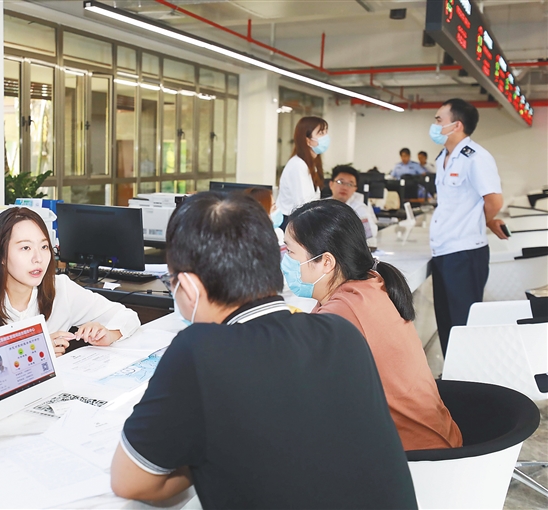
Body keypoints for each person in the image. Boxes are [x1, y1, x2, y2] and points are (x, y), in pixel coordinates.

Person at [110, 192, 417, 509]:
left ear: (188, 287)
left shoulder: (199, 351)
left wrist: (200, 457)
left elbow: (128, 481)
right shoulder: (341, 333)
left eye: (171, 281)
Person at [284, 199, 463, 451]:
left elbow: (298, 387)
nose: (285, 260)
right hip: (433, 441)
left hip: (415, 459)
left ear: (326, 262)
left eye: (290, 252)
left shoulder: (343, 312)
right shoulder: (370, 283)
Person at [0, 207, 140, 356]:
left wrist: (109, 334)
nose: (38, 258)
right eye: (25, 248)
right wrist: (36, 349)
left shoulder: (61, 289)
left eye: (44, 247)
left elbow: (127, 316)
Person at [429, 98, 506, 357]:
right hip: (443, 250)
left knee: (464, 323)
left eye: (439, 120)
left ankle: (468, 376)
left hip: (464, 252)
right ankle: (452, 373)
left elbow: (494, 201)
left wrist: (480, 221)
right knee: (446, 322)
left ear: (457, 125)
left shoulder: (476, 157)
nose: (434, 125)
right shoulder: (443, 157)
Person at [276, 117, 329, 228]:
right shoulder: (298, 165)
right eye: (321, 133)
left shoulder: (310, 164)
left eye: (326, 132)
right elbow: (303, 204)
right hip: (291, 222)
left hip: (301, 219)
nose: (326, 137)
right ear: (308, 140)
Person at [329, 164, 378, 242]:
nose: (344, 187)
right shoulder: (320, 205)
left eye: (350, 184)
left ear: (355, 189)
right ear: (331, 184)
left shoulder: (359, 208)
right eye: (340, 182)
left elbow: (369, 233)